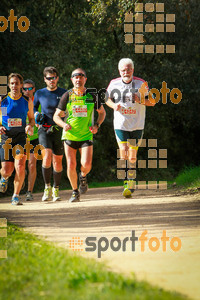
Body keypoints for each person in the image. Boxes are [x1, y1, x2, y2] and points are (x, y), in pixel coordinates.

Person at [53, 68, 106, 202]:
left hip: (86, 135)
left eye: (81, 77)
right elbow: (56, 116)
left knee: (86, 164)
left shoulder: (91, 96)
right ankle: (75, 192)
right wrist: (63, 124)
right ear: (72, 80)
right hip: (69, 135)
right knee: (71, 165)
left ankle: (83, 176)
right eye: (75, 77)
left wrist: (97, 125)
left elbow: (102, 112)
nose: (78, 79)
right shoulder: (67, 95)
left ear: (85, 79)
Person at [106, 58, 155, 198]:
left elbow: (152, 101)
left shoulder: (141, 83)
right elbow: (106, 99)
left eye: (128, 69)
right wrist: (113, 105)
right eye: (123, 70)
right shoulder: (114, 83)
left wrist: (140, 100)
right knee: (124, 152)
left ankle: (131, 179)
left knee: (132, 155)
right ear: (119, 71)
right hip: (120, 124)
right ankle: (127, 182)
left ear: (132, 70)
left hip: (137, 124)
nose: (125, 72)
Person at [0, 73, 34, 205]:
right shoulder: (3, 100)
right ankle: (4, 177)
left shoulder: (26, 101)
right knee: (7, 170)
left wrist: (29, 126)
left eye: (17, 83)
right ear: (9, 85)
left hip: (21, 137)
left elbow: (31, 119)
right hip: (6, 137)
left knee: (20, 166)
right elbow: (2, 116)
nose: (14, 86)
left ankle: (15, 196)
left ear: (21, 85)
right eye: (12, 83)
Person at [34, 66, 66, 202]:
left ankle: (56, 188)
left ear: (57, 78)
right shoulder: (40, 93)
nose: (51, 80)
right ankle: (46, 188)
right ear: (45, 79)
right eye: (49, 78)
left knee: (57, 161)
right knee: (46, 156)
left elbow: (70, 108)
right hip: (44, 129)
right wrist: (36, 115)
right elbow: (34, 107)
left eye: (53, 77)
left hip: (59, 130)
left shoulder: (65, 93)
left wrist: (66, 115)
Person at [22, 79, 38, 201]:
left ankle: (29, 191)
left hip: (35, 138)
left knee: (32, 165)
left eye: (29, 88)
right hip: (19, 138)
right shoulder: (18, 101)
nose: (27, 91)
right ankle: (21, 177)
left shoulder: (38, 101)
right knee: (20, 166)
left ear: (33, 89)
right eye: (25, 89)